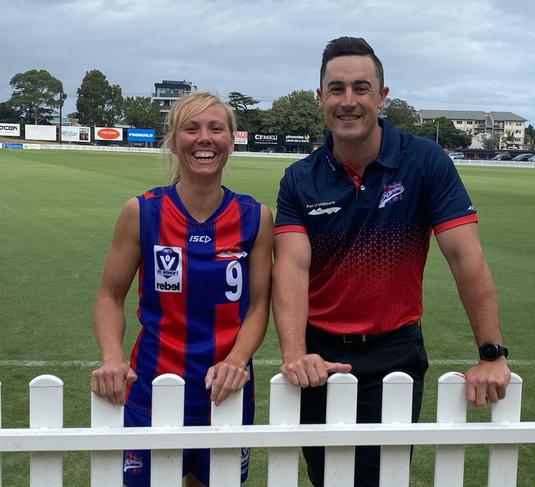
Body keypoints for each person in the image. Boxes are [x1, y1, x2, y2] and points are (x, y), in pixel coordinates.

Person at [272, 36, 511, 487]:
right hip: (318, 354)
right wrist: (294, 352)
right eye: (336, 88)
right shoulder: (300, 178)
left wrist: (492, 353)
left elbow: (464, 255)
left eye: (361, 88)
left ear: (382, 96)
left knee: (381, 479)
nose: (348, 101)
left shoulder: (423, 160)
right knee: (327, 477)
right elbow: (291, 268)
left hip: (393, 355)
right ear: (319, 96)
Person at [90, 91, 273, 487]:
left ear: (231, 140)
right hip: (153, 387)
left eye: (215, 128)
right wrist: (112, 356)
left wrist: (237, 359)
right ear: (174, 141)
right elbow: (109, 296)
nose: (204, 138)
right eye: (191, 129)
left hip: (226, 388)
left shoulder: (256, 217)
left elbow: (259, 306)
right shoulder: (142, 211)